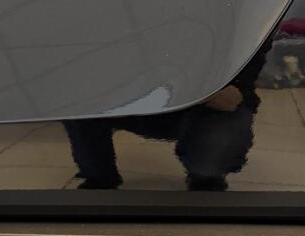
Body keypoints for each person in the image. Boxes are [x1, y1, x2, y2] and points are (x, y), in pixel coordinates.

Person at [63, 43, 270, 190]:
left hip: (196, 106)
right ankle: (99, 177)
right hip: (152, 94)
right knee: (78, 100)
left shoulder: (240, 23)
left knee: (222, 131)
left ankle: (206, 176)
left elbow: (231, 98)